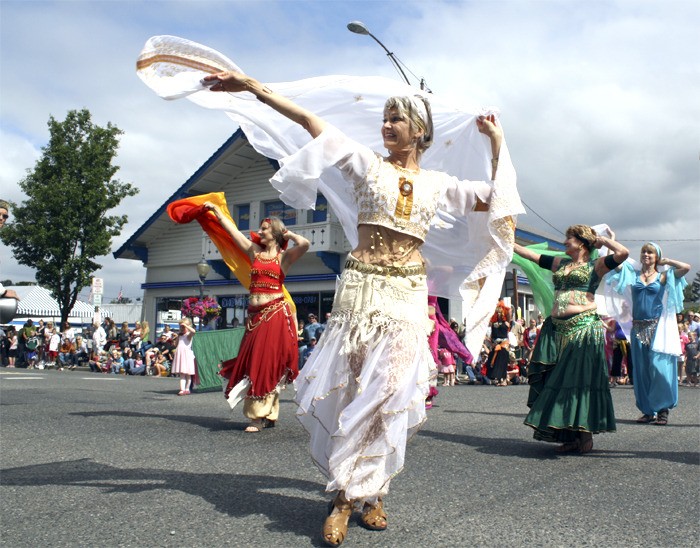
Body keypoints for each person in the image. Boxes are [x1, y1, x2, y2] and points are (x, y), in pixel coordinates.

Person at [203, 67, 507, 545]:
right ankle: (364, 490)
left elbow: (499, 197)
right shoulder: (365, 162)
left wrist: (496, 141)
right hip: (361, 291)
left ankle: (351, 496)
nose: (386, 126)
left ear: (419, 132)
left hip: (407, 294)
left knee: (388, 392)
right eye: (385, 118)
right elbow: (308, 120)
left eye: (396, 120)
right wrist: (255, 88)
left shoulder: (441, 185)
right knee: (353, 389)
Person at [514, 224, 629, 454]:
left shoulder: (596, 265)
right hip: (556, 328)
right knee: (559, 380)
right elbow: (532, 255)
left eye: (569, 238)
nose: (565, 242)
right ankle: (568, 433)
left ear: (582, 242)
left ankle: (584, 434)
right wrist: (508, 241)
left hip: (583, 328)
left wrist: (603, 241)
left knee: (579, 381)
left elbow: (623, 254)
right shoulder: (561, 264)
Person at [201, 205, 309, 431]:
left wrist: (289, 235)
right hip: (255, 316)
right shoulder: (254, 253)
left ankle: (256, 417)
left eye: (264, 230)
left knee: (265, 362)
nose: (260, 233)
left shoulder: (284, 258)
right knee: (256, 362)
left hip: (275, 314)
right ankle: (270, 411)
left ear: (276, 234)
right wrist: (218, 213)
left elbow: (305, 245)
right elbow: (234, 233)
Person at [608, 243, 690, 425]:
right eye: (644, 251)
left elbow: (686, 268)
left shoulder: (663, 276)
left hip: (657, 328)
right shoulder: (633, 274)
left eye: (650, 252)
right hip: (637, 328)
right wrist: (610, 241)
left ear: (657, 256)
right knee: (641, 370)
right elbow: (614, 263)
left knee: (659, 368)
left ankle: (662, 409)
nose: (646, 254)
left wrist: (666, 261)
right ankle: (647, 410)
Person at [170, 317, 197, 395]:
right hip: (180, 355)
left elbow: (194, 331)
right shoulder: (180, 335)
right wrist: (175, 338)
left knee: (188, 374)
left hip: (187, 355)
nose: (182, 328)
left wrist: (186, 325)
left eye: (183, 327)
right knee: (182, 374)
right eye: (181, 327)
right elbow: (176, 345)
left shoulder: (189, 335)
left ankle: (187, 388)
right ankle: (182, 389)